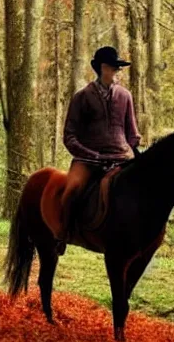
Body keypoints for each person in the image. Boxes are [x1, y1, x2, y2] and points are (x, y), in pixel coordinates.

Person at [56, 46, 142, 254]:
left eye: (118, 68)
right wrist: (90, 154)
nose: (117, 72)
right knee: (72, 188)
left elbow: (132, 131)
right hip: (89, 159)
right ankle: (63, 233)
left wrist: (134, 150)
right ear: (103, 68)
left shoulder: (125, 96)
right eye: (114, 68)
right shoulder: (82, 97)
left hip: (122, 157)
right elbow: (69, 136)